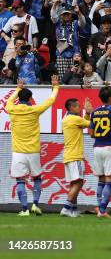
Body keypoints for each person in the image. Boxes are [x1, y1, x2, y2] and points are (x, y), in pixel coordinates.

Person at [7, 75, 59, 216]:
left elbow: (10, 100)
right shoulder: (35, 110)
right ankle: (35, 204)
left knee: (20, 181)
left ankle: (24, 209)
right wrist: (55, 86)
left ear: (19, 98)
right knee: (37, 178)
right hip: (33, 151)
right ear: (30, 99)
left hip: (18, 152)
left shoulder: (12, 108)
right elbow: (51, 100)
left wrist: (18, 88)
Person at [89, 86, 111, 218]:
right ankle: (102, 211)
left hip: (97, 147)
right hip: (110, 147)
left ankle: (100, 208)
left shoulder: (94, 112)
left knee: (101, 180)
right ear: (110, 98)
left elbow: (91, 133)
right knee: (109, 180)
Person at [60, 97, 93, 217]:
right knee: (79, 182)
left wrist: (87, 114)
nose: (81, 108)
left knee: (74, 183)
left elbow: (83, 124)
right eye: (78, 106)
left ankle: (72, 210)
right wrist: (90, 112)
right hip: (75, 156)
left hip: (68, 156)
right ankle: (66, 208)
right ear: (72, 107)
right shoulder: (75, 119)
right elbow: (92, 124)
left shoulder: (66, 119)